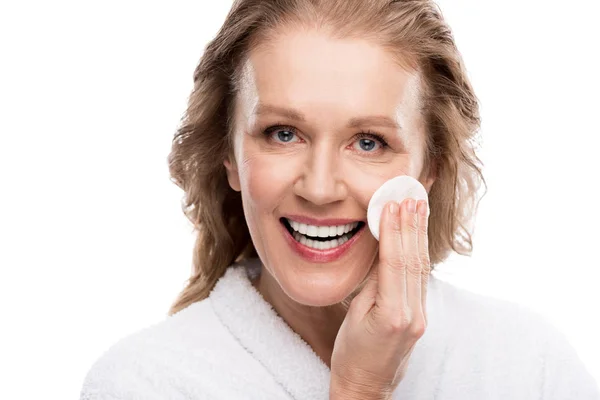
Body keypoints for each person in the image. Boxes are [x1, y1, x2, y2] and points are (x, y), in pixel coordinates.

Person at [80, 0, 600, 399]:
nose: (321, 187)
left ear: (430, 168)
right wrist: (359, 388)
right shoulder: (143, 381)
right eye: (283, 133)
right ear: (230, 156)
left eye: (369, 142)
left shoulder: (530, 366)